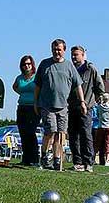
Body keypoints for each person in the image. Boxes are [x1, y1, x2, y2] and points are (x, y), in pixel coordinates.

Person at [34, 39, 86, 171]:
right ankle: (45, 157)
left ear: (64, 51)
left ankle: (57, 159)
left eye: (59, 49)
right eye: (55, 49)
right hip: (47, 105)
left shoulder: (69, 66)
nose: (57, 52)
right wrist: (36, 102)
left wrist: (82, 102)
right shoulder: (45, 64)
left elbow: (78, 85)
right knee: (50, 132)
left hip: (63, 106)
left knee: (61, 134)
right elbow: (38, 85)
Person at [67, 45, 105, 172]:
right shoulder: (70, 69)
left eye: (76, 55)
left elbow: (100, 88)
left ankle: (88, 162)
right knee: (73, 136)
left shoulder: (90, 69)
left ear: (83, 56)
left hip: (86, 108)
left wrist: (92, 101)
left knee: (86, 135)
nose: (74, 57)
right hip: (72, 107)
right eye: (72, 55)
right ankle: (77, 162)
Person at [12, 55, 41, 166]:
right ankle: (26, 159)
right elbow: (14, 87)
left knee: (31, 132)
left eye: (29, 64)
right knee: (23, 133)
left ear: (32, 64)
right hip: (22, 107)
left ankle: (34, 159)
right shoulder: (20, 78)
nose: (27, 66)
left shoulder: (37, 77)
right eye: (24, 64)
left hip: (33, 108)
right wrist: (22, 94)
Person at [95, 93, 109, 166]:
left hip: (101, 126)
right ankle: (107, 161)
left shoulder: (99, 107)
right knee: (108, 143)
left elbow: (97, 115)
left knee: (97, 143)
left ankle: (93, 158)